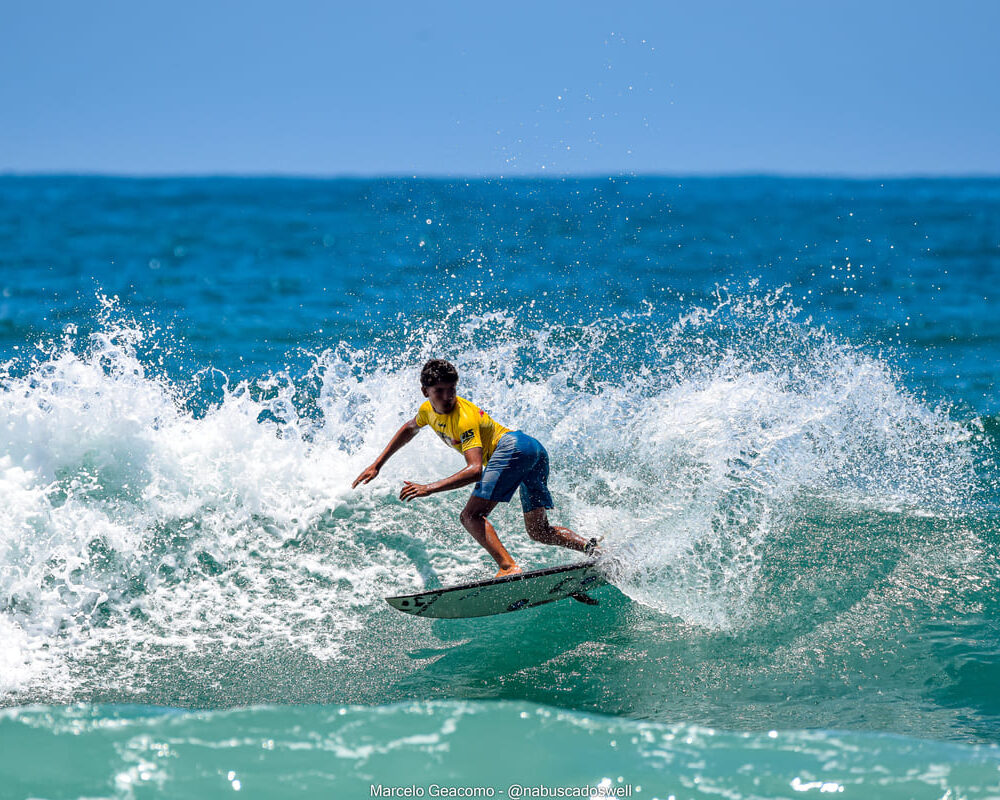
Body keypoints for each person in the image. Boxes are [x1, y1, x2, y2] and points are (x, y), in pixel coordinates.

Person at [351, 359, 598, 577]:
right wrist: (377, 464)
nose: (447, 396)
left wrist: (428, 488)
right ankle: (594, 549)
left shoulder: (464, 419)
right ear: (425, 391)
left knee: (470, 516)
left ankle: (508, 567)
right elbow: (409, 428)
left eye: (452, 390)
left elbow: (475, 469)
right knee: (539, 530)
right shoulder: (427, 410)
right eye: (439, 391)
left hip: (515, 448)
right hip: (532, 449)